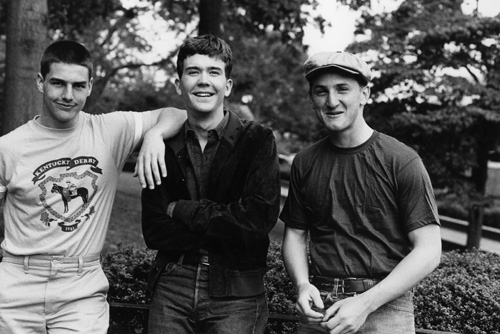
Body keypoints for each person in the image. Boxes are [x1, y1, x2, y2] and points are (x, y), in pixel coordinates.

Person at [0, 40, 186, 334]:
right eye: (58, 83)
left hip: (81, 288)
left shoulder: (109, 131)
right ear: (40, 82)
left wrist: (155, 136)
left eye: (77, 85)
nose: (68, 95)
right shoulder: (9, 147)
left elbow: (178, 113)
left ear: (89, 86)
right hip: (15, 286)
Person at [280, 51, 442, 334]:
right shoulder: (305, 162)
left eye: (342, 89)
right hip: (321, 308)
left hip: (384, 307)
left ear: (364, 94)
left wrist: (365, 303)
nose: (331, 101)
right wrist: (302, 284)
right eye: (321, 91)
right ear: (311, 98)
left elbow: (429, 250)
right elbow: (295, 234)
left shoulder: (401, 160)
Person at [141, 34, 281, 334]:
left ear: (227, 86)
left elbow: (256, 221)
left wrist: (183, 210)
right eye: (193, 72)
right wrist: (225, 224)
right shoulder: (161, 146)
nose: (203, 81)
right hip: (172, 287)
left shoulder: (257, 140)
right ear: (179, 85)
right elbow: (153, 229)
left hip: (237, 291)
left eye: (213, 72)